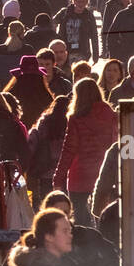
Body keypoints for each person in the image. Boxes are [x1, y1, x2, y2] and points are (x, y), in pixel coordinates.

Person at [52, 78, 117, 226]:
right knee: (105, 221)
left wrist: (58, 178)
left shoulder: (76, 118)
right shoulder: (111, 115)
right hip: (104, 174)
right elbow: (114, 145)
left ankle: (85, 249)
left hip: (79, 178)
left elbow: (68, 150)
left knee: (82, 224)